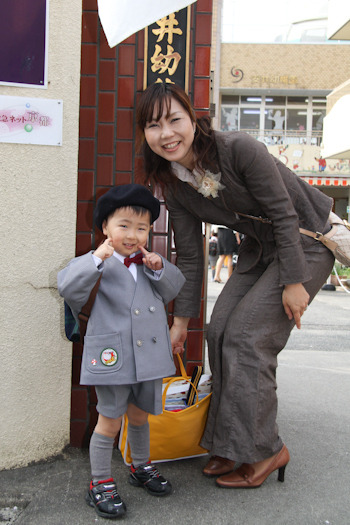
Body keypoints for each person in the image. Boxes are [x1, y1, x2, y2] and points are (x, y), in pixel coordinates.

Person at [136, 83, 334, 489]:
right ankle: (229, 442)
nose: (166, 133)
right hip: (261, 250)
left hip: (307, 243)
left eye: (174, 119)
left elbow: (283, 213)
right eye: (153, 125)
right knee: (220, 326)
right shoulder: (173, 183)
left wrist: (295, 282)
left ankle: (264, 449)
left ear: (193, 118)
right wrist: (181, 321)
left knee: (247, 336)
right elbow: (190, 257)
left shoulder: (238, 148)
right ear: (144, 133)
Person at [57, 184, 185, 519]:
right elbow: (68, 288)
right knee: (110, 420)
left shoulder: (148, 261)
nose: (132, 234)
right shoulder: (96, 261)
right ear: (105, 228)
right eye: (123, 225)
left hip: (149, 357)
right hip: (114, 356)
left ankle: (141, 466)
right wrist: (96, 259)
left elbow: (174, 288)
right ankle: (99, 482)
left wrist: (159, 267)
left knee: (141, 416)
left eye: (141, 227)